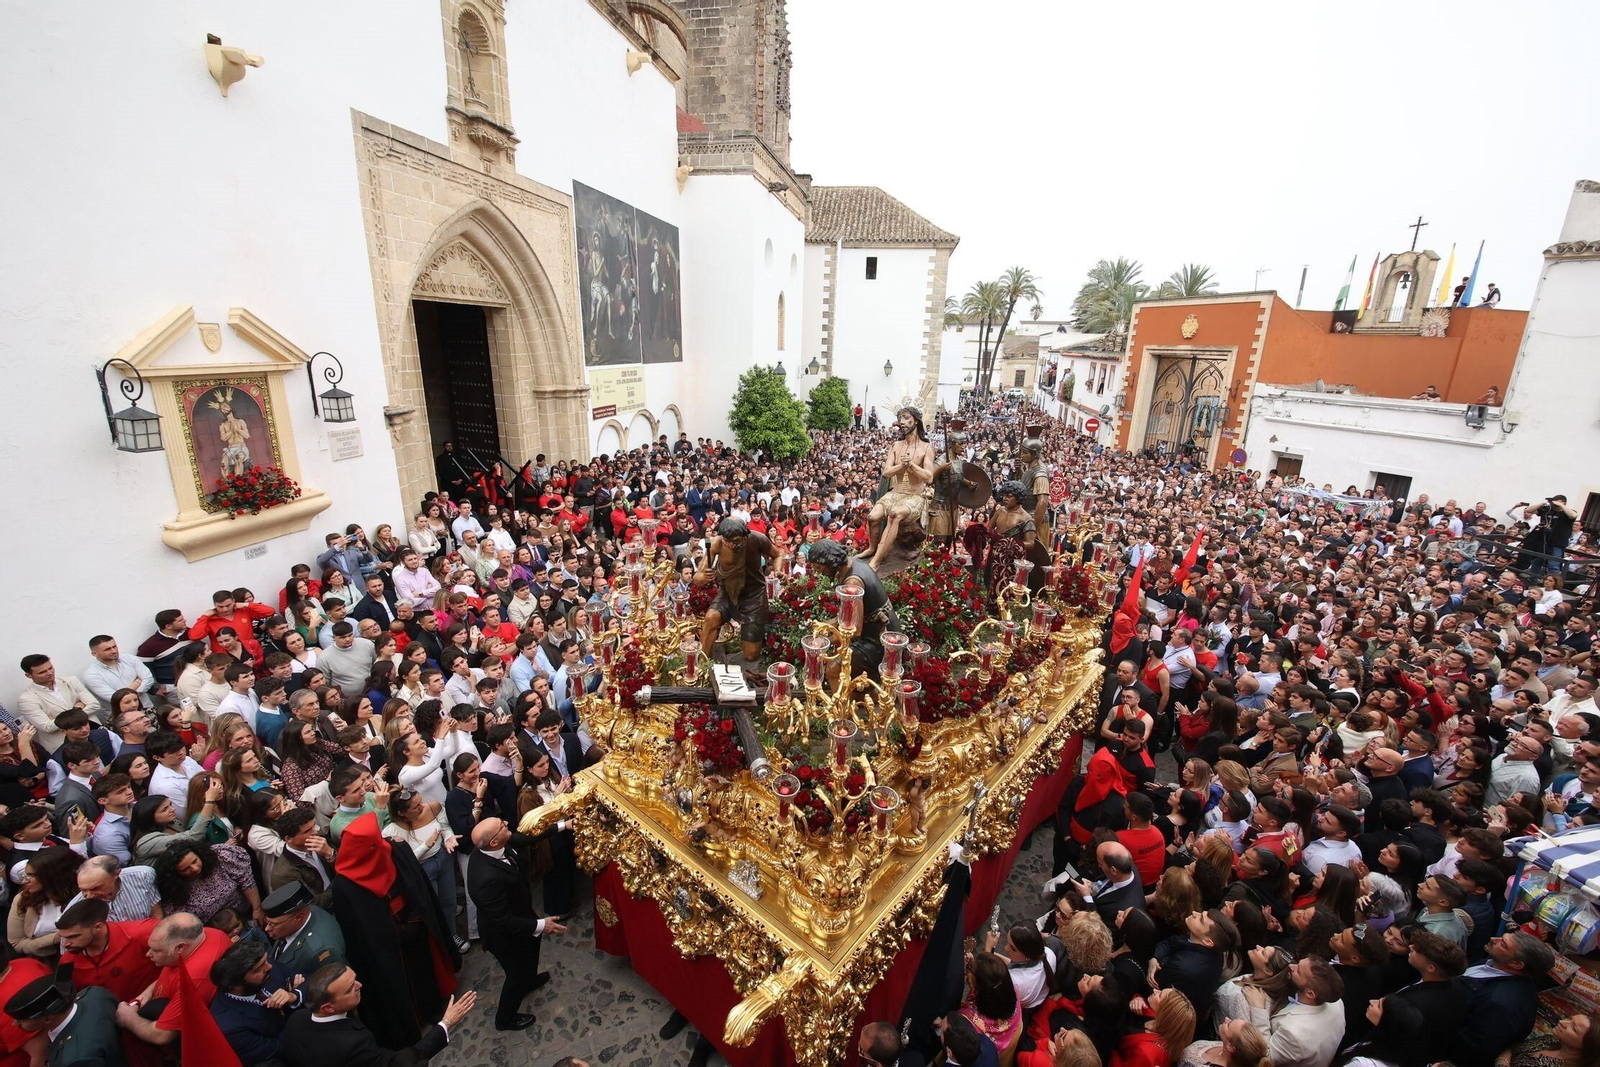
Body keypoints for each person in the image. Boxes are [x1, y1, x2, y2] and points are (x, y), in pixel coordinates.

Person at [329, 811, 459, 1049]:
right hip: (385, 946)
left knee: (425, 969)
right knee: (397, 984)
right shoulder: (344, 885)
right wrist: (392, 932)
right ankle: (412, 1020)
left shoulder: (394, 850)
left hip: (414, 926)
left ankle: (433, 1007)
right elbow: (358, 927)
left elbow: (415, 887)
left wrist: (413, 919)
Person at [467, 816, 566, 1031]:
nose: (506, 822)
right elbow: (502, 920)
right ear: (493, 842)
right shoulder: (484, 880)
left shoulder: (499, 844)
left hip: (521, 914)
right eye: (502, 825)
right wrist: (541, 925)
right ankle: (505, 1018)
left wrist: (562, 826)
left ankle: (529, 981)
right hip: (503, 935)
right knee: (515, 975)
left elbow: (526, 838)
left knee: (531, 952)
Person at [281, 963, 475, 1067]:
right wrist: (446, 1023)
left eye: (355, 980)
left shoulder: (296, 1020)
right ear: (327, 1008)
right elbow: (399, 1063)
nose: (360, 986)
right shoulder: (353, 1044)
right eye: (350, 989)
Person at [694, 518, 780, 667]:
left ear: (745, 536)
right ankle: (701, 665)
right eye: (728, 541)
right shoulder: (716, 543)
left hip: (754, 595)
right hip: (729, 592)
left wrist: (777, 571)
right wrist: (703, 577)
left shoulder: (758, 538)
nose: (732, 545)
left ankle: (756, 638)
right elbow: (697, 577)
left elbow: (777, 554)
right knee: (711, 617)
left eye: (736, 541)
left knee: (751, 655)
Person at [208, 939, 304, 1066]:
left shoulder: (263, 966)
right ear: (237, 984)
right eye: (258, 969)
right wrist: (294, 1010)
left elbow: (305, 980)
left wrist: (294, 996)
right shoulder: (230, 1028)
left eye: (266, 960)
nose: (269, 966)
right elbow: (278, 1049)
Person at [863, 406, 935, 573]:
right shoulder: (896, 445)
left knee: (895, 515)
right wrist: (901, 466)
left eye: (906, 418)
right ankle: (872, 548)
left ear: (915, 421)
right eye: (900, 418)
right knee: (872, 517)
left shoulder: (926, 447)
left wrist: (911, 465)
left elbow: (929, 477)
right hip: (895, 493)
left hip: (915, 496)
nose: (902, 422)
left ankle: (877, 560)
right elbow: (886, 472)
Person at [5, 977, 124, 1067]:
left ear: (47, 1019)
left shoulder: (76, 1059)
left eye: (21, 1020)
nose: (14, 1024)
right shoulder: (93, 993)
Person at [260, 882, 346, 981]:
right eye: (268, 922)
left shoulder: (320, 950)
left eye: (273, 924)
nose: (267, 928)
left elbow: (332, 988)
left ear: (298, 918)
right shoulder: (305, 913)